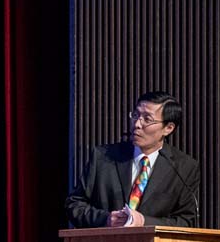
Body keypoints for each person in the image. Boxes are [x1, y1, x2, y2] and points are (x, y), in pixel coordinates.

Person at [65, 90, 201, 228]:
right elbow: (74, 204)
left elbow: (186, 221)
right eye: (135, 115)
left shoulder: (183, 168)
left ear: (168, 128)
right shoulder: (103, 157)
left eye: (147, 119)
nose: (137, 124)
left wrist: (144, 222)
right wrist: (105, 219)